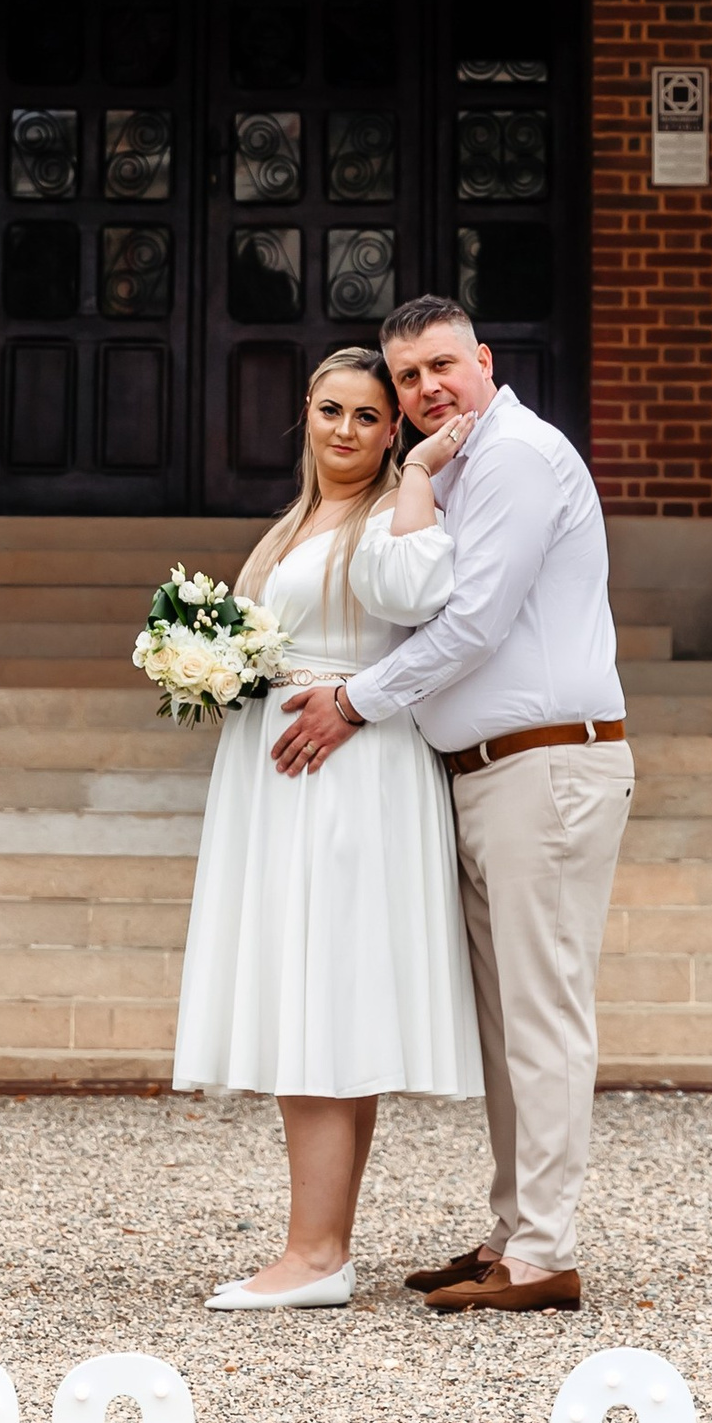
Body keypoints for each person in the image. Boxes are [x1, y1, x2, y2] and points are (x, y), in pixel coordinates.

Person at [272, 295, 631, 1317]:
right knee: (512, 1025)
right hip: (484, 772)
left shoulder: (516, 455)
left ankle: (543, 1249)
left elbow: (472, 625)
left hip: (546, 768)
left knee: (544, 1019)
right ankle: (513, 1234)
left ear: (483, 356)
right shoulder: (455, 467)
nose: (427, 388)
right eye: (409, 378)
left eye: (441, 366)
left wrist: (351, 700)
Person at [170, 348, 481, 1310]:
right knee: (321, 1000)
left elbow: (423, 595)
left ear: (395, 430)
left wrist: (423, 475)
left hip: (347, 774)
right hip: (288, 772)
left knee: (322, 1000)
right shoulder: (297, 522)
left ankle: (312, 1254)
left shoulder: (396, 507)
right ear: (305, 414)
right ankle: (324, 1250)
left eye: (368, 418)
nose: (346, 431)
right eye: (330, 411)